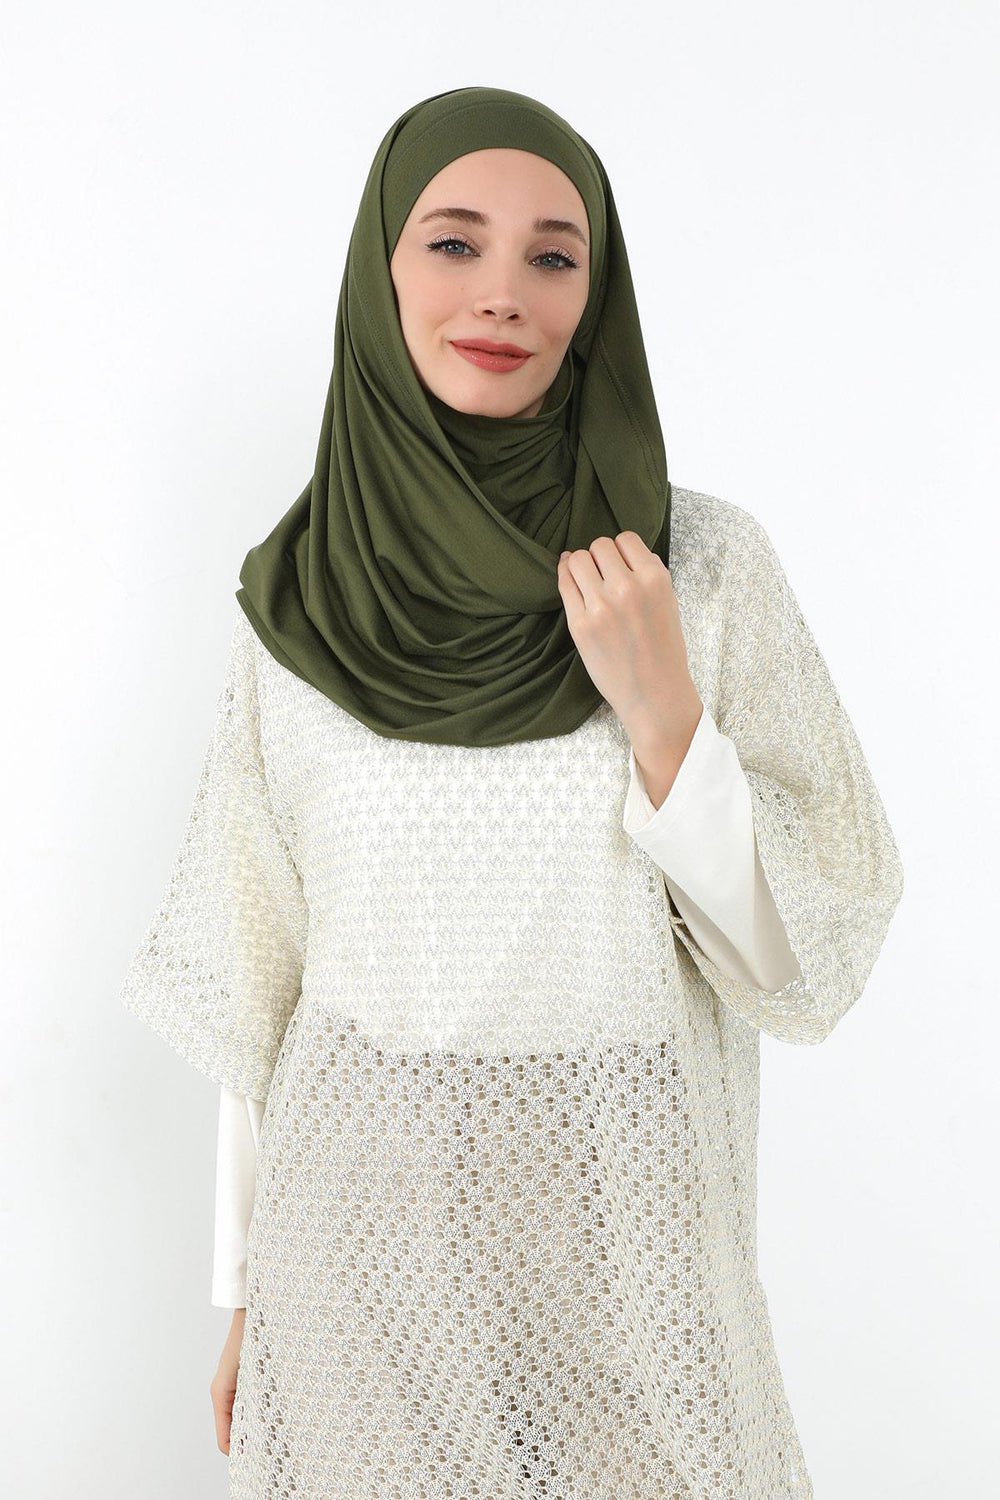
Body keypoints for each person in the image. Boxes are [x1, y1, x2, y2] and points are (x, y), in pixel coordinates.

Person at [120, 85, 904, 1499]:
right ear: (381, 272)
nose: (502, 293)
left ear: (596, 298)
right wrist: (245, 1294)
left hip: (629, 1242)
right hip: (353, 1257)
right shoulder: (300, 605)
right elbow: (260, 984)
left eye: (553, 255)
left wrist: (664, 717)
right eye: (453, 242)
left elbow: (803, 966)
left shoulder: (701, 573)